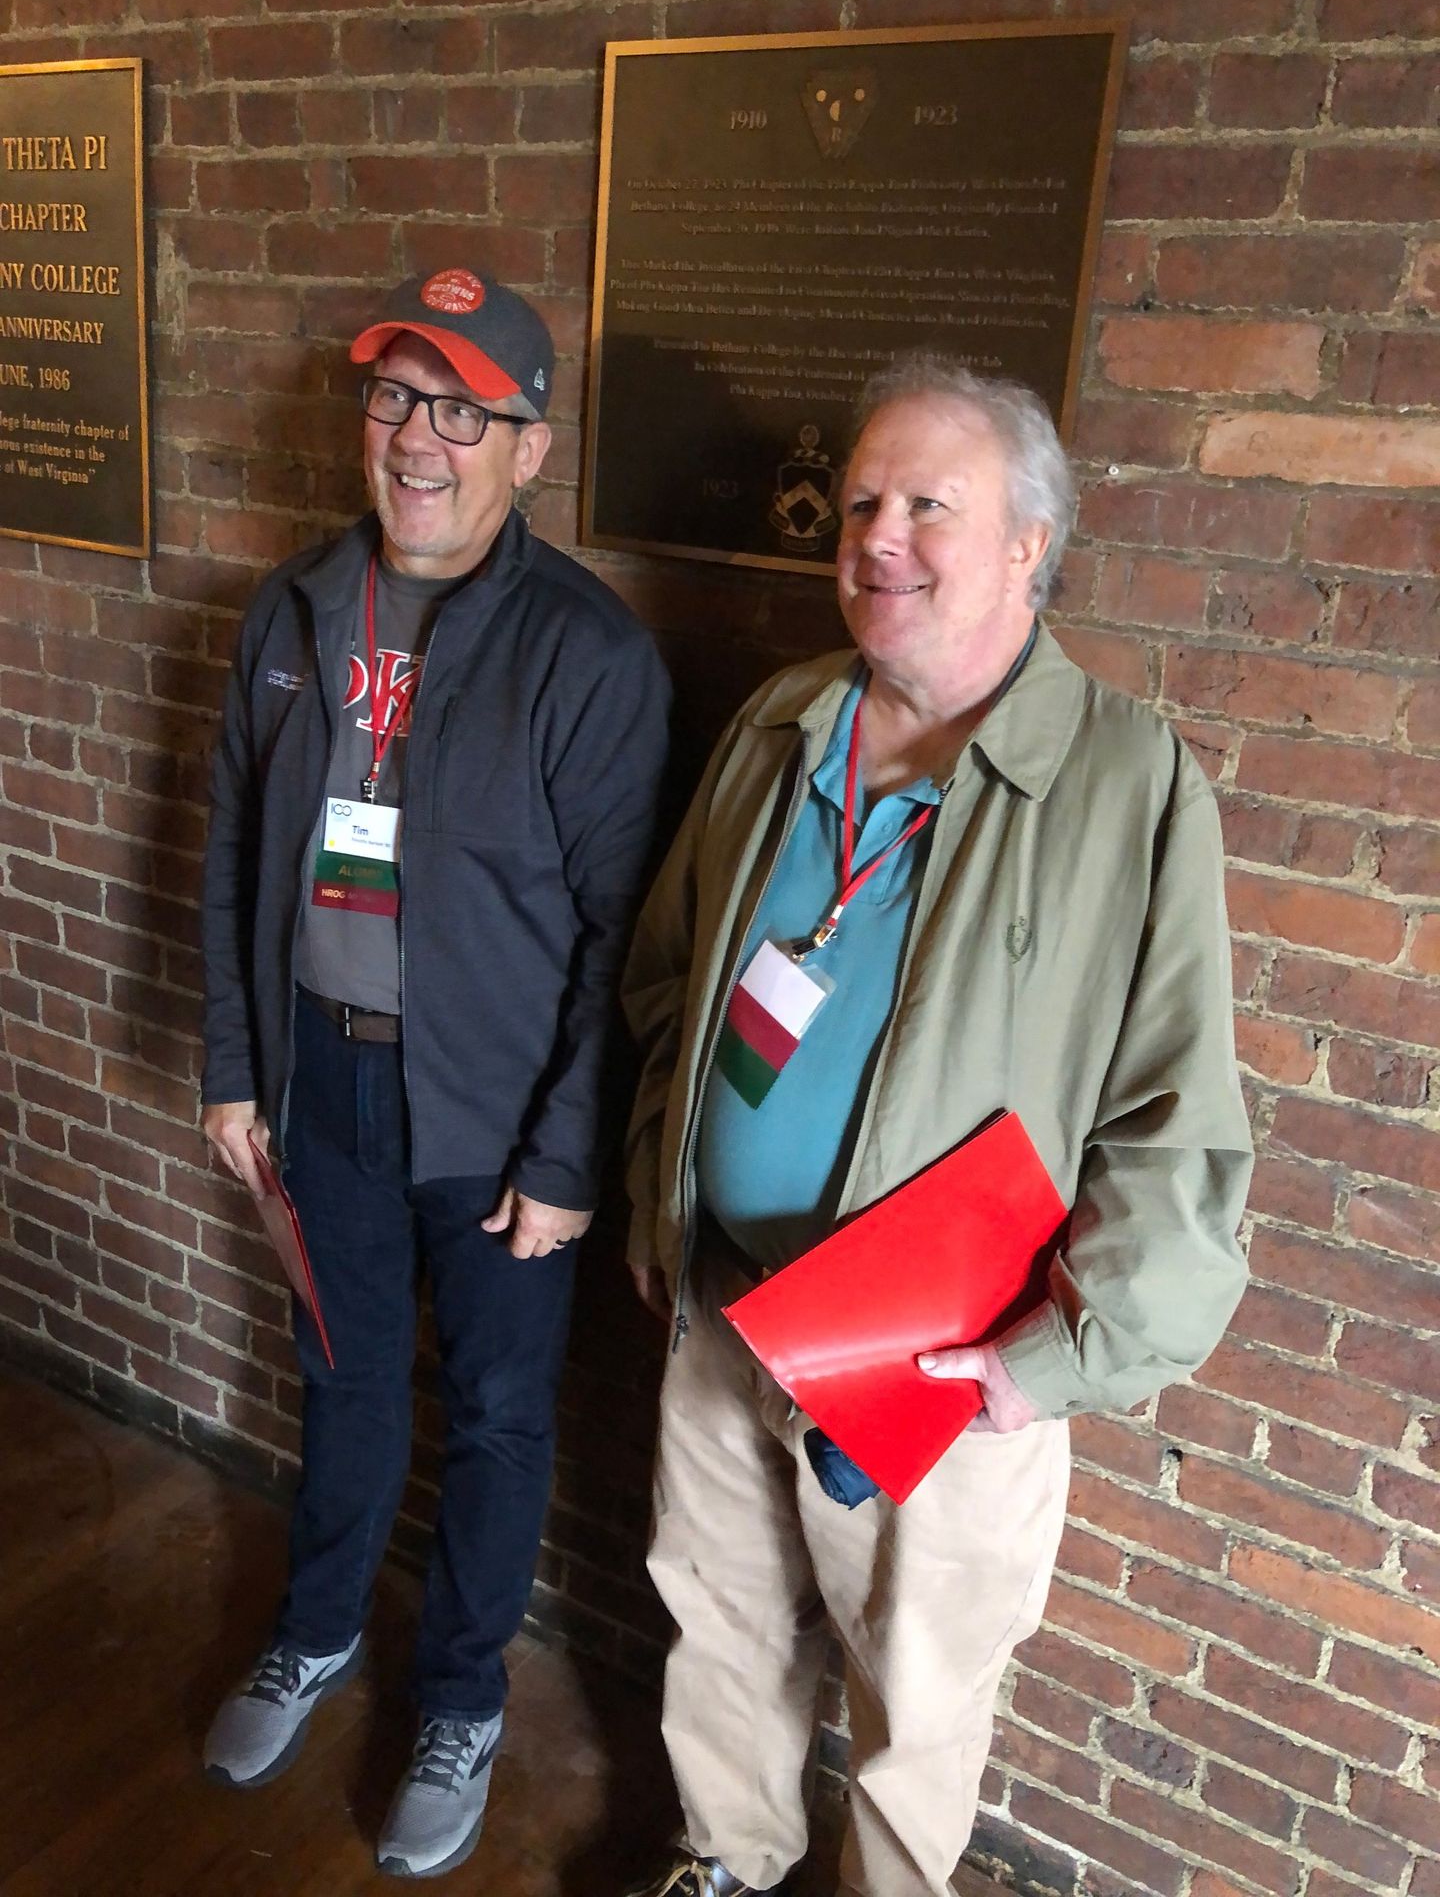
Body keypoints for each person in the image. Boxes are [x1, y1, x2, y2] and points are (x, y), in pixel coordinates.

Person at [620, 352, 1252, 1897]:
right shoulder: (783, 725)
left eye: (926, 506)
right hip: (728, 1311)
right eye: (859, 504)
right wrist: (660, 1193)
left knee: (920, 1702)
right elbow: (665, 986)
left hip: (939, 1379)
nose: (877, 537)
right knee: (720, 1626)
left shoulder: (1129, 782)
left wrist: (1046, 1369)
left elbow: (1179, 1119)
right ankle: (726, 1859)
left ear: (1030, 546)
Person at [198, 266, 669, 1879]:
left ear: (528, 449)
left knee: (497, 1416)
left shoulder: (588, 656)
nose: (418, 439)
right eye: (397, 396)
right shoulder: (296, 610)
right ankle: (320, 1626)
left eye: (463, 410)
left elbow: (624, 938)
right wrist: (235, 1064)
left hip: (492, 1123)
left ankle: (460, 1700)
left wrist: (564, 1156)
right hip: (323, 1084)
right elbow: (235, 856)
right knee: (341, 1376)